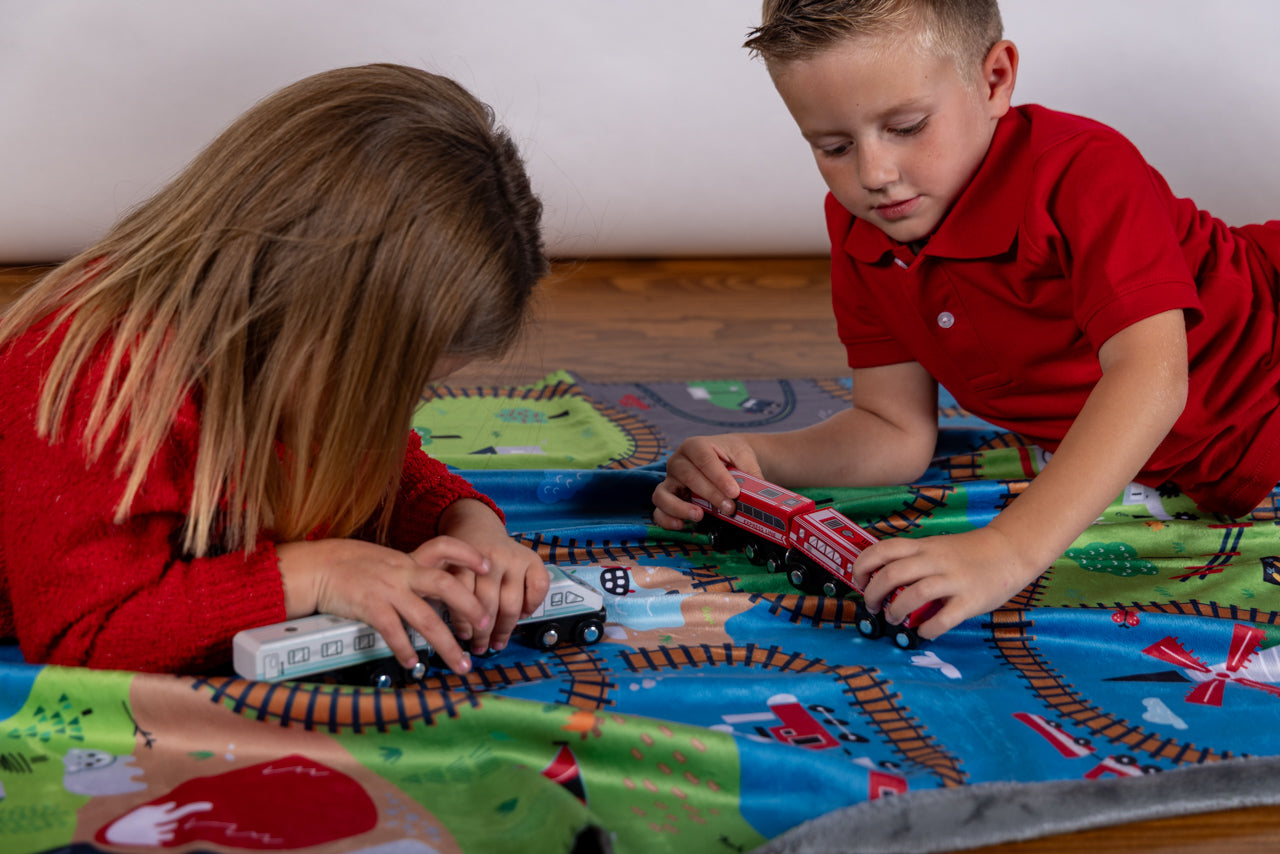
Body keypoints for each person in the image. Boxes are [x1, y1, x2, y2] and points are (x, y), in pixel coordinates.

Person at [653, 0, 1280, 642]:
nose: (875, 175)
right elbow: (892, 429)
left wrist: (1006, 549)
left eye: (907, 127)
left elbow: (1152, 376)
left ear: (995, 80)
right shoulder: (862, 227)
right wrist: (758, 457)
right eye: (833, 146)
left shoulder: (1084, 171)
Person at [0, 63, 550, 675]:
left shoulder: (284, 363)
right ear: (304, 315)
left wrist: (467, 523)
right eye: (396, 390)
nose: (398, 419)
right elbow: (89, 631)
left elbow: (376, 461)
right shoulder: (94, 379)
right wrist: (309, 574)